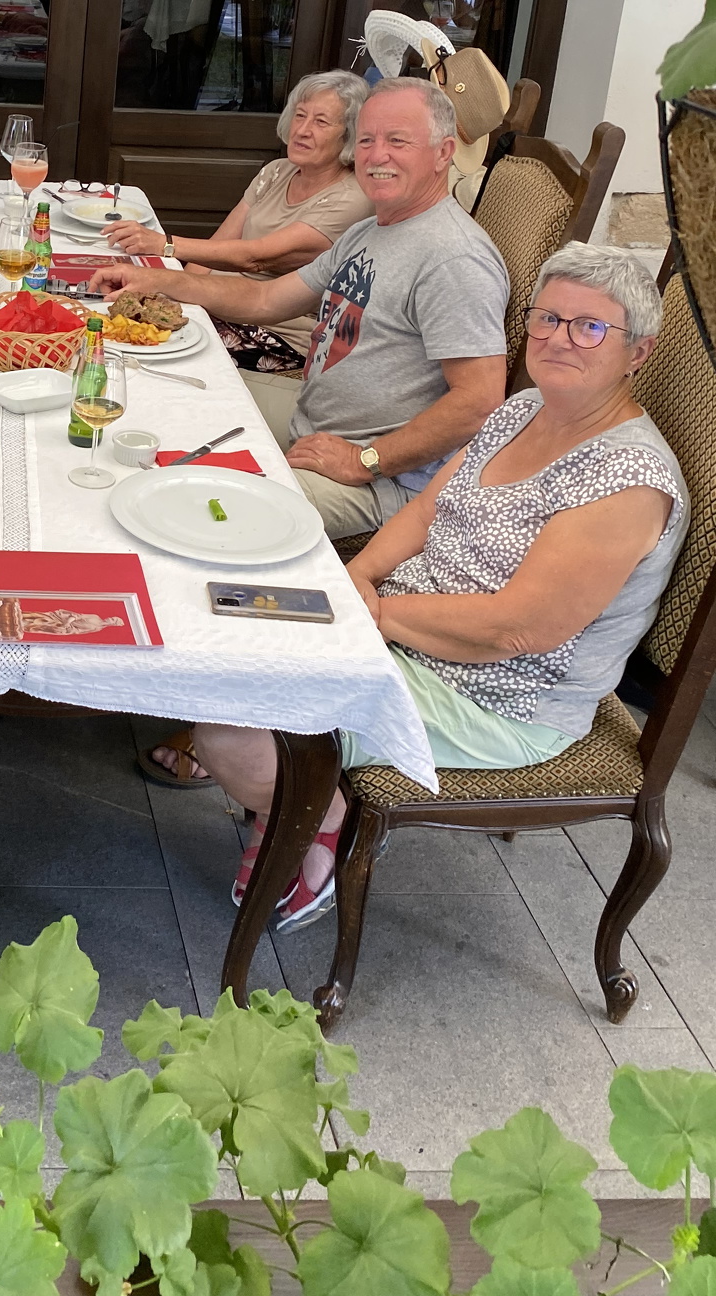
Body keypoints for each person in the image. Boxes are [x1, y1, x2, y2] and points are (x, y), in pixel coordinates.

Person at [180, 244, 687, 931]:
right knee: (224, 622)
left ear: (639, 352)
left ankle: (321, 814)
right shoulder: (526, 409)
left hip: (496, 695)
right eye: (547, 318)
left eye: (590, 327)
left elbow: (518, 629)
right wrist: (357, 576)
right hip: (405, 626)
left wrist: (377, 613)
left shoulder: (626, 480)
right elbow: (426, 509)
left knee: (229, 731)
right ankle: (296, 794)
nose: (560, 337)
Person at [92, 77, 509, 541]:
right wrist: (158, 281)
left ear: (443, 152)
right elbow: (266, 299)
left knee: (195, 517)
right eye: (367, 140)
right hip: (310, 420)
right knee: (155, 392)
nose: (377, 155)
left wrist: (366, 460)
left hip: (382, 481)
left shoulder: (454, 258)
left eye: (397, 141)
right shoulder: (370, 231)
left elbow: (479, 401)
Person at [104, 70, 371, 373]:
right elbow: (212, 252)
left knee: (143, 356)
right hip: (216, 307)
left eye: (321, 122)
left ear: (350, 134)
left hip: (274, 333)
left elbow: (255, 258)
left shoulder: (351, 198)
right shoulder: (277, 171)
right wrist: (174, 303)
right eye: (300, 115)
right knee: (114, 323)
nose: (303, 130)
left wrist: (164, 245)